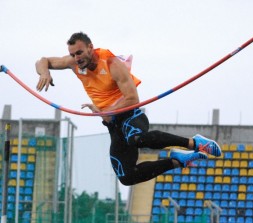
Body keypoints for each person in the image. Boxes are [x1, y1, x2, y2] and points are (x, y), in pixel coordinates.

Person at [35, 32, 222, 186]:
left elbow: (132, 98)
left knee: (136, 139)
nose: (76, 58)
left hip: (130, 115)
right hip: (113, 124)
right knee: (126, 176)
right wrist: (45, 72)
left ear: (90, 47)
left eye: (80, 52)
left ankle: (194, 143)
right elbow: (42, 60)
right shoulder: (73, 63)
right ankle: (178, 160)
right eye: (73, 54)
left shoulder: (110, 63)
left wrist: (105, 111)